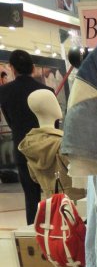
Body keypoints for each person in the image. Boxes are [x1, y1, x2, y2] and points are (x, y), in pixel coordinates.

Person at [0, 49, 53, 224]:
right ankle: (57, 229)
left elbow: (10, 120)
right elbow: (54, 123)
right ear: (32, 68)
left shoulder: (4, 92)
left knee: (31, 197)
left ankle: (34, 231)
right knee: (54, 193)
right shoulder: (46, 90)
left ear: (12, 68)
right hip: (47, 148)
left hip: (22, 147)